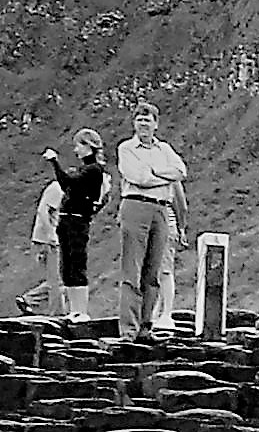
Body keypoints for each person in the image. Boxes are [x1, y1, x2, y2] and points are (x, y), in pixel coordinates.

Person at [114, 105, 188, 336]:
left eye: (148, 120)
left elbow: (180, 171)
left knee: (153, 271)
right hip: (135, 205)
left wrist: (154, 172)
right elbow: (139, 177)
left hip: (161, 209)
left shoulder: (164, 148)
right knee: (132, 269)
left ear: (156, 124)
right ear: (134, 124)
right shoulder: (126, 148)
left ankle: (146, 326)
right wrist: (160, 176)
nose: (144, 124)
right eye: (139, 120)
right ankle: (128, 329)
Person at [40, 129, 111, 323]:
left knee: (77, 263)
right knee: (67, 266)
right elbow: (67, 185)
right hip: (67, 219)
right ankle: (74, 310)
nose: (76, 150)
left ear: (89, 146)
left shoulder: (94, 170)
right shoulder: (84, 170)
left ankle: (81, 310)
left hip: (78, 220)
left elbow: (68, 182)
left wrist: (55, 162)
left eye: (79, 145)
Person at [19, 175, 64, 315]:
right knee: (56, 281)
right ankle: (58, 314)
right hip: (47, 241)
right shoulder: (57, 188)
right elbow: (42, 210)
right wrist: (50, 234)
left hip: (54, 240)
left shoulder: (67, 191)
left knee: (60, 280)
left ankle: (29, 299)